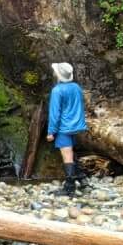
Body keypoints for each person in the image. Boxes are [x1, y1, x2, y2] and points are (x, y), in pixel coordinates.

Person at [46, 62, 88, 196]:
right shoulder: (76, 87)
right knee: (70, 151)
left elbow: (54, 113)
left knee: (67, 155)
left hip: (64, 127)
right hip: (76, 126)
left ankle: (70, 186)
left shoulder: (57, 90)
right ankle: (82, 179)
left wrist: (51, 132)